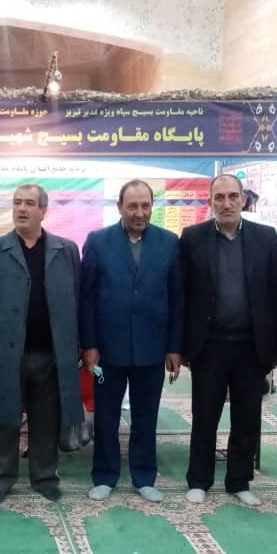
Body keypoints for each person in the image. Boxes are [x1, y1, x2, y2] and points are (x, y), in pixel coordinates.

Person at [0, 184, 82, 503]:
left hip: (51, 353)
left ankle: (44, 477)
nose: (21, 209)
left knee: (47, 419)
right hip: (7, 352)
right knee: (4, 417)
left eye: (29, 203)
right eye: (17, 202)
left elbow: (79, 301)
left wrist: (82, 345)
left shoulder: (66, 250)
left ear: (43, 210)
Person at [180, 175, 277, 506]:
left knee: (247, 416)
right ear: (210, 201)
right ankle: (199, 480)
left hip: (252, 346)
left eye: (232, 197)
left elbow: (276, 292)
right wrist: (181, 345)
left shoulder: (265, 237)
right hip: (209, 344)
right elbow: (183, 294)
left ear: (243, 200)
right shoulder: (192, 238)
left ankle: (239, 481)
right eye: (219, 197)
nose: (226, 203)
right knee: (204, 415)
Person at [80, 180, 182, 503]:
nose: (140, 213)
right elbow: (86, 298)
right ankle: (104, 475)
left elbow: (177, 298)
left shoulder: (169, 242)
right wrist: (90, 345)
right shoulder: (98, 241)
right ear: (120, 207)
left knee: (145, 416)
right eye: (133, 206)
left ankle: (144, 475)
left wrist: (174, 347)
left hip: (153, 346)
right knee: (106, 416)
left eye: (145, 206)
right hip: (108, 349)